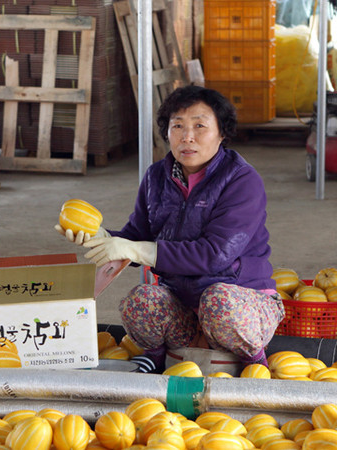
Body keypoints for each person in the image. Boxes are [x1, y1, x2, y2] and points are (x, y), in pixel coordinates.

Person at [58, 85, 283, 373]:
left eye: (200, 126)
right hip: (182, 304)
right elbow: (137, 237)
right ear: (167, 133)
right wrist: (102, 238)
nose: (187, 137)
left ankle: (254, 362)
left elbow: (215, 255)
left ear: (222, 133)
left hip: (241, 300)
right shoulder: (156, 177)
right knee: (140, 300)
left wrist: (135, 248)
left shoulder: (242, 181)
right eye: (177, 126)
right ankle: (157, 358)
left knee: (219, 302)